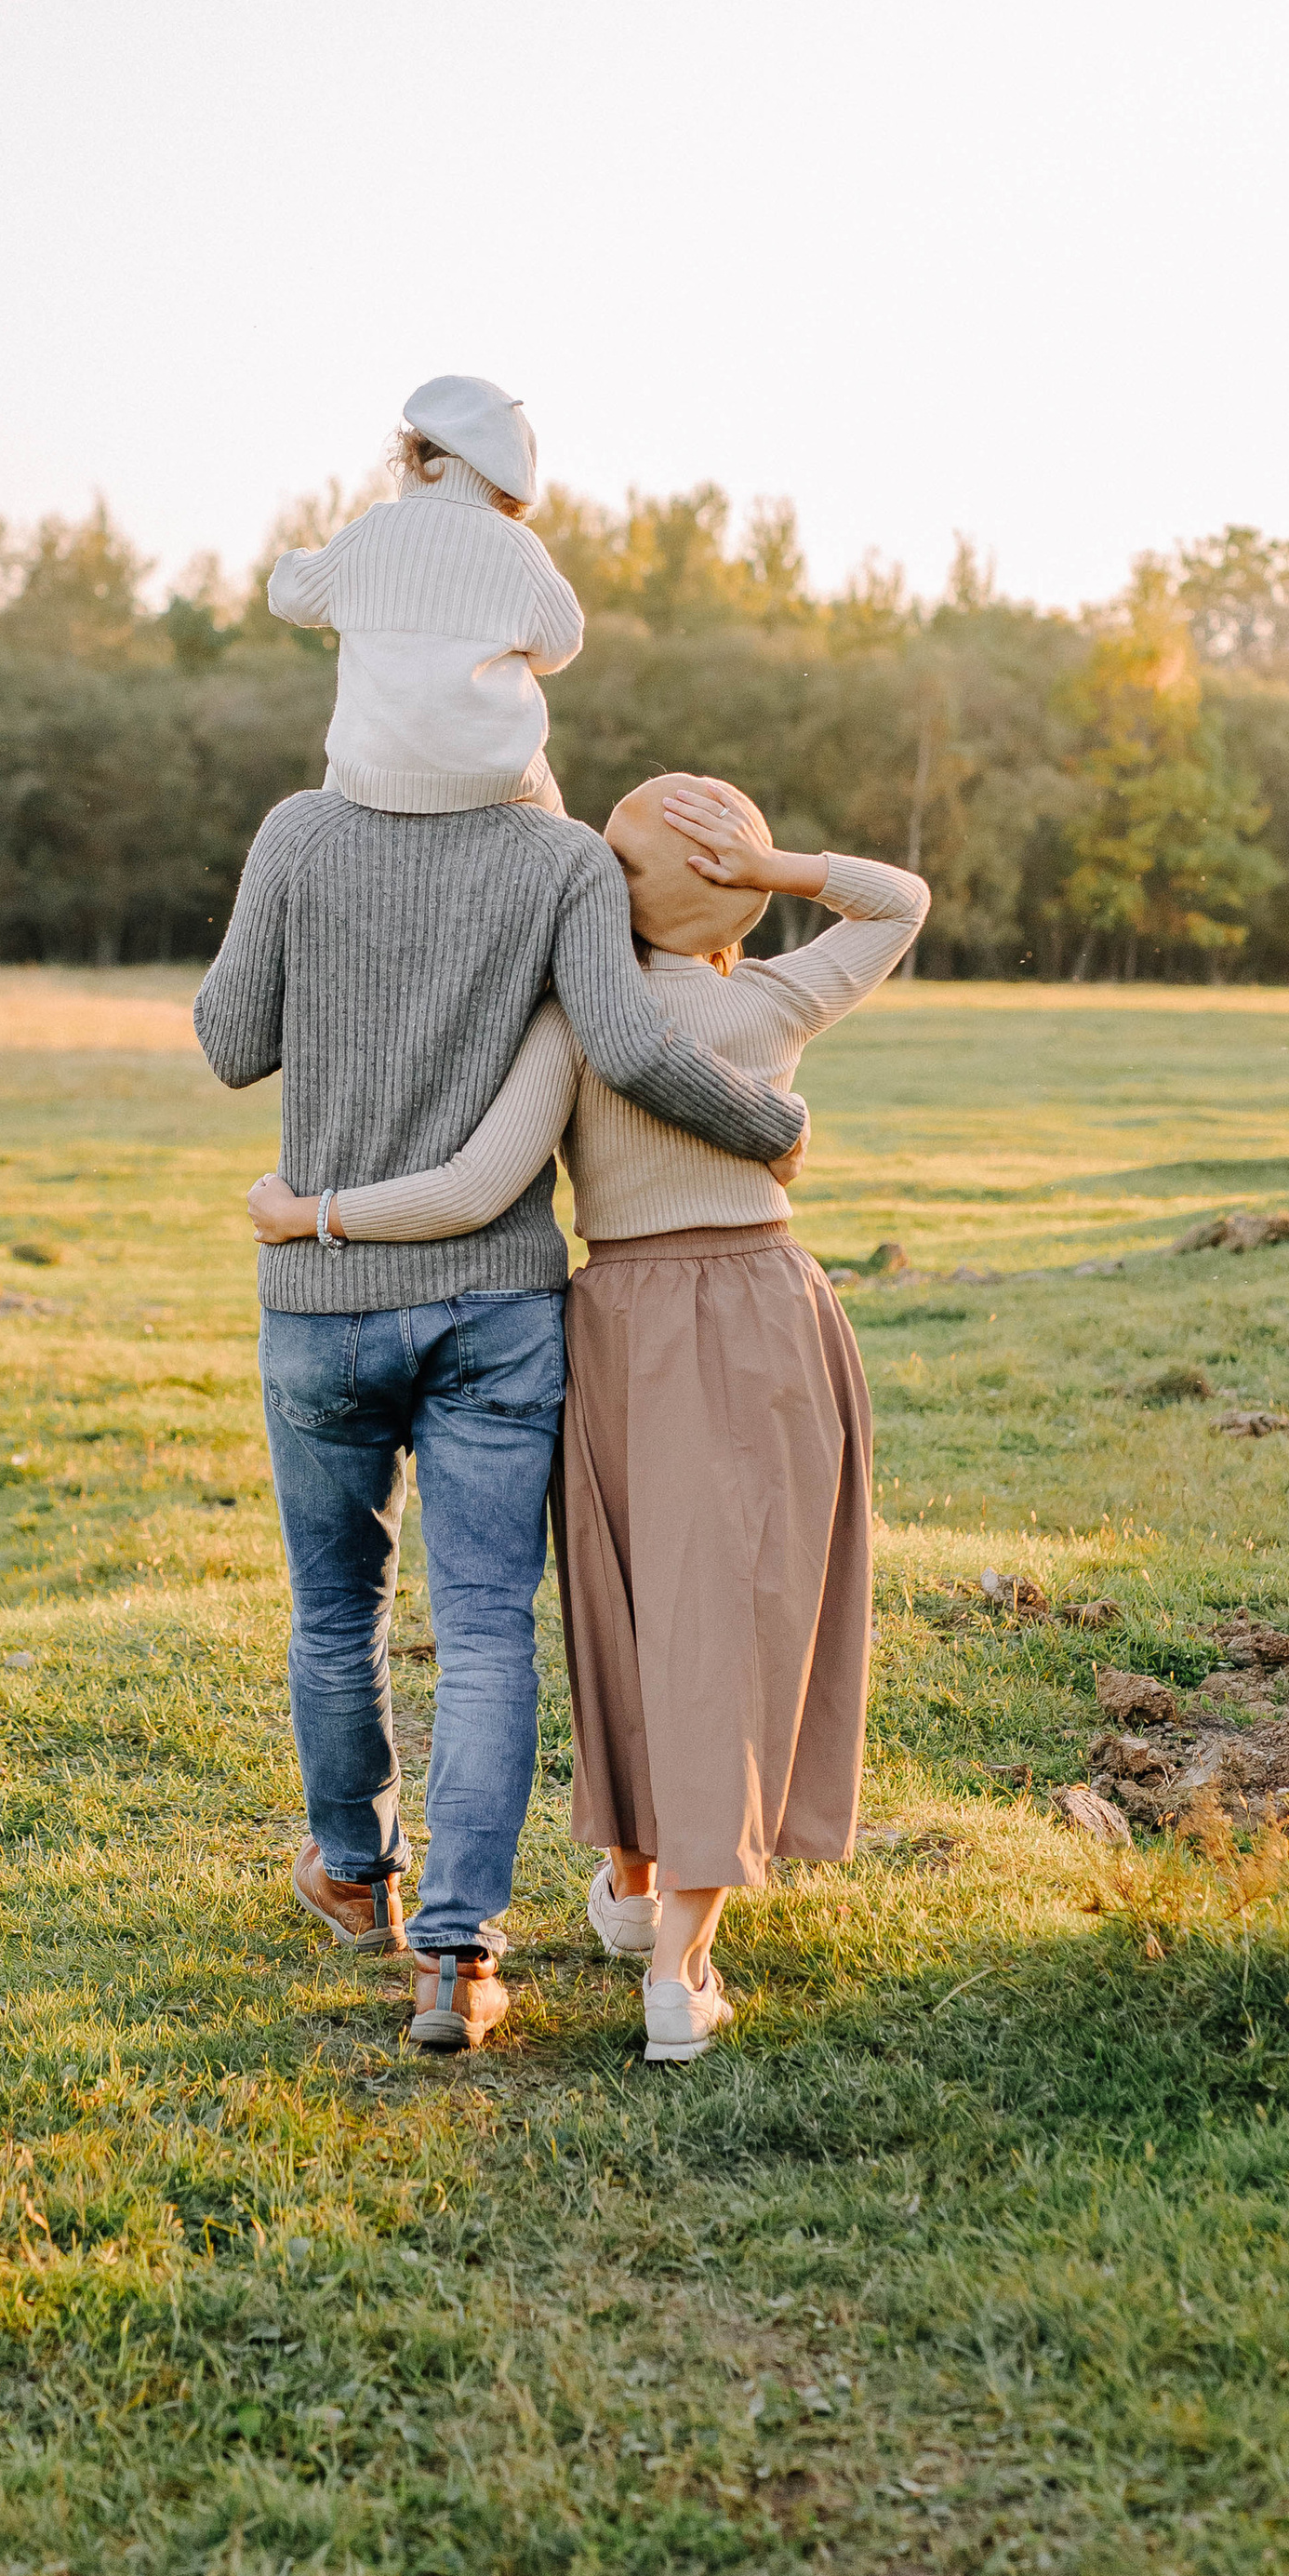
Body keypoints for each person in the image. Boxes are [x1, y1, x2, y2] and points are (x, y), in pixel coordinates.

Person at [196, 438, 810, 2062]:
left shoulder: (297, 836)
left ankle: (351, 1868)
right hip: (493, 1309)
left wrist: (312, 927)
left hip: (321, 1294)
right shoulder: (552, 861)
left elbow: (228, 1042)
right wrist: (768, 1128)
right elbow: (630, 1039)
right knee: (485, 1628)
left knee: (335, 1611)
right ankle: (458, 1961)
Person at [249, 773, 926, 2065]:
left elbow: (472, 1186)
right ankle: (672, 1954)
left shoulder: (572, 1022)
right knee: (737, 1621)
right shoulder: (774, 1001)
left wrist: (315, 1216)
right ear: (730, 882)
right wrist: (775, 872)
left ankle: (645, 1902)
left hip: (621, 1325)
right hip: (769, 1307)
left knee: (630, 1614)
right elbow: (901, 902)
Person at [264, 374, 583, 818]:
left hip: (368, 780)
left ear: (412, 453)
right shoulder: (517, 546)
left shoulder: (372, 530)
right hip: (494, 779)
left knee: (336, 784)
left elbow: (293, 598)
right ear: (514, 479)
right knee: (561, 831)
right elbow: (561, 644)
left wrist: (295, 560)